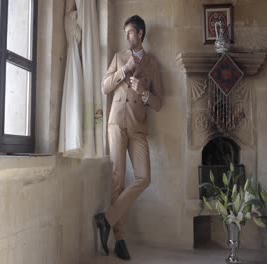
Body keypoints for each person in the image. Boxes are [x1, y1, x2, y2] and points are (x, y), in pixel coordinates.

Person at [94, 15, 163, 261]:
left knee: (144, 177)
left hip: (138, 127)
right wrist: (123, 71)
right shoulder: (118, 58)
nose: (127, 37)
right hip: (116, 123)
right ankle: (121, 239)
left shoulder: (153, 65)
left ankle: (107, 219)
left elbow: (159, 103)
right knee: (117, 180)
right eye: (126, 33)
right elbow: (104, 87)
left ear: (141, 34)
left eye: (131, 32)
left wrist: (144, 92)